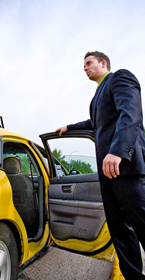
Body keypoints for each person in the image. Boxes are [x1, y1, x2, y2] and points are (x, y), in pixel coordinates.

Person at [55, 51, 145, 280]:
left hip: (127, 170)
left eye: (88, 63)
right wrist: (69, 127)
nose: (84, 68)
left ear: (103, 63)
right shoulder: (96, 99)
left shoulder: (119, 78)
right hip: (107, 176)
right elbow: (93, 124)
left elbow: (131, 113)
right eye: (83, 65)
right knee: (121, 236)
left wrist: (118, 151)